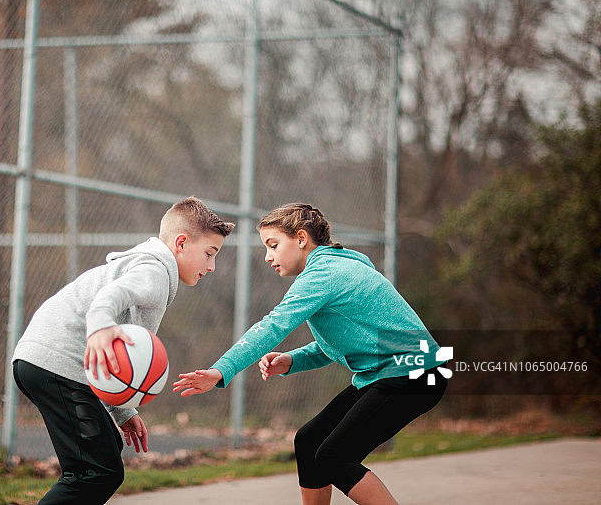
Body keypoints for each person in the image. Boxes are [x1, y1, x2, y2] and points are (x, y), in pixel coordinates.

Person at [173, 202, 447, 505]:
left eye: (273, 245)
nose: (268, 256)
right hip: (393, 373)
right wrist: (293, 360)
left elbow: (272, 327)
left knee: (334, 456)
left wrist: (221, 370)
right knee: (309, 442)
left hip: (412, 374)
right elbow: (345, 343)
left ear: (301, 239)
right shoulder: (339, 266)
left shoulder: (322, 275)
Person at [13, 196, 234, 504]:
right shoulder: (155, 273)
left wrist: (123, 411)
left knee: (102, 459)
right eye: (210, 254)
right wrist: (101, 324)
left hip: (45, 362)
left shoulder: (150, 266)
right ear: (181, 243)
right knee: (98, 472)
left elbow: (124, 360)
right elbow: (110, 296)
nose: (212, 266)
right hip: (57, 364)